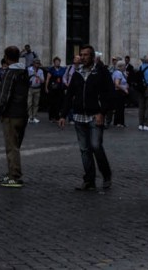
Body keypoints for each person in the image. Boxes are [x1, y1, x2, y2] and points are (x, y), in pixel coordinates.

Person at [58, 44, 115, 192]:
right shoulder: (77, 73)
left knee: (96, 146)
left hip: (95, 115)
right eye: (81, 55)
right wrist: (63, 114)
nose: (82, 57)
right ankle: (89, 180)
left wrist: (102, 112)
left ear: (92, 57)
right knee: (84, 149)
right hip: (79, 116)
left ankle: (106, 175)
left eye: (85, 55)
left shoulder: (101, 72)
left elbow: (109, 93)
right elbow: (70, 95)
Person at [0, 45, 29, 188]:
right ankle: (11, 174)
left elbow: (5, 94)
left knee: (11, 146)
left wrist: (0, 110)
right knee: (16, 145)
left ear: (7, 58)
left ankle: (14, 176)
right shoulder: (24, 71)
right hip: (22, 113)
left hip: (11, 114)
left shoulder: (10, 73)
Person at [45, 56, 65, 122]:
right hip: (52, 88)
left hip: (60, 89)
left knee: (59, 103)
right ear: (54, 63)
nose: (57, 63)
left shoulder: (62, 69)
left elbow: (64, 78)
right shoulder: (51, 69)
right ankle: (51, 117)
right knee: (52, 103)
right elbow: (48, 79)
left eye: (58, 62)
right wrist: (46, 87)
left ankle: (57, 117)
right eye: (56, 62)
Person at [112, 59, 128, 127]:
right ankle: (119, 122)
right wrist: (124, 89)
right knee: (119, 108)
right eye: (124, 66)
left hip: (120, 92)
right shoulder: (118, 73)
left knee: (120, 107)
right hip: (119, 92)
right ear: (120, 66)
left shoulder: (120, 73)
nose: (125, 67)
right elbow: (117, 84)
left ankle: (119, 122)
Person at [27, 58, 44, 123]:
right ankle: (29, 116)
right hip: (30, 88)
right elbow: (26, 78)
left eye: (38, 63)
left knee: (36, 104)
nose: (37, 65)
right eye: (36, 63)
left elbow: (42, 81)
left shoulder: (40, 71)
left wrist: (37, 76)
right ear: (33, 63)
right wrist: (32, 74)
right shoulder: (29, 69)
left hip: (37, 88)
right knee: (29, 103)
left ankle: (34, 117)